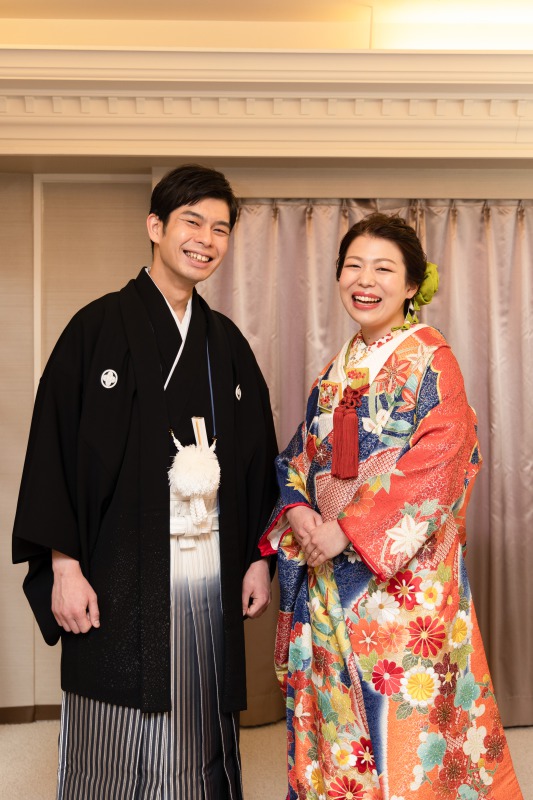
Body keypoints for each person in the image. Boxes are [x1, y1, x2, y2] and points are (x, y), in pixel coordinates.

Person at [12, 164, 278, 800]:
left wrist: (257, 559)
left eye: (220, 229)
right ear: (155, 226)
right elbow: (53, 452)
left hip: (207, 565)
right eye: (192, 222)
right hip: (116, 569)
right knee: (112, 719)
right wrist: (64, 566)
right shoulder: (95, 329)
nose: (206, 240)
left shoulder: (226, 344)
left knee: (198, 710)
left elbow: (256, 459)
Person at [260, 213, 523, 799]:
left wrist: (348, 529)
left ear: (411, 286)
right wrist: (299, 511)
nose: (365, 280)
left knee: (405, 721)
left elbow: (444, 456)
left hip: (401, 583)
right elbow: (299, 455)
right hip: (329, 569)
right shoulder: (336, 370)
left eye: (383, 269)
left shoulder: (430, 358)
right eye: (353, 266)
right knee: (336, 722)